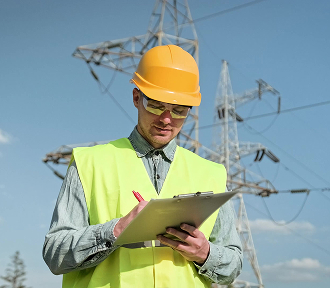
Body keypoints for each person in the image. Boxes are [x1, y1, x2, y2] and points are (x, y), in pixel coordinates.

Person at [43, 45, 242, 288]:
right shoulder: (89, 164)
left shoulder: (211, 174)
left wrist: (206, 253)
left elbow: (234, 263)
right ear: (137, 98)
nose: (167, 119)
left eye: (179, 111)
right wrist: (115, 231)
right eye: (157, 105)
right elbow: (55, 253)